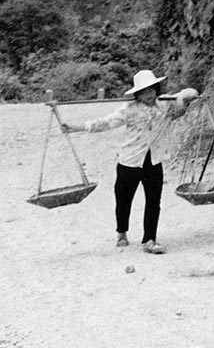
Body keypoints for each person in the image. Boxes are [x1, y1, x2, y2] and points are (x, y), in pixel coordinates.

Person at [64, 69, 199, 254]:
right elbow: (105, 123)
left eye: (151, 89)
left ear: (156, 89)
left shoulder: (165, 104)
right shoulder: (129, 110)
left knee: (153, 201)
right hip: (129, 162)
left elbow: (190, 93)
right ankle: (121, 231)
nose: (149, 94)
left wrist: (185, 97)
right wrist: (75, 128)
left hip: (153, 160)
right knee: (123, 199)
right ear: (137, 94)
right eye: (143, 92)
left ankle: (149, 240)